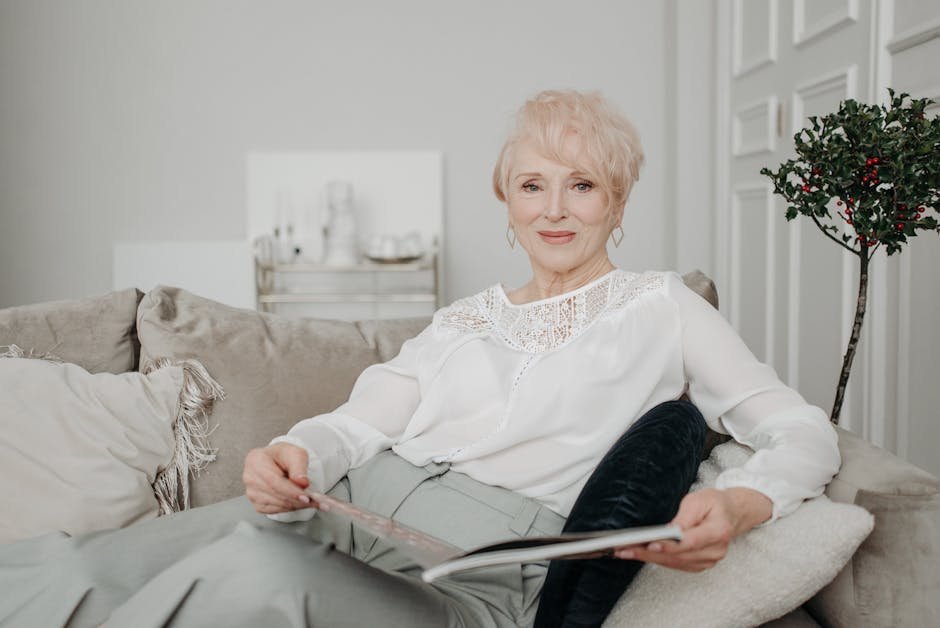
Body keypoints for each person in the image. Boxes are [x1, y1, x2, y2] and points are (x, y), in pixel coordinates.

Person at [0, 90, 840, 628]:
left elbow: (803, 432)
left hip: (465, 581)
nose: (555, 209)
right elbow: (355, 424)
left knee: (253, 571)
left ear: (617, 202)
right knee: (76, 561)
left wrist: (742, 505)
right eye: (533, 185)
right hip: (338, 517)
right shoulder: (463, 319)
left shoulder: (664, 308)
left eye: (582, 185)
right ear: (506, 201)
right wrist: (293, 453)